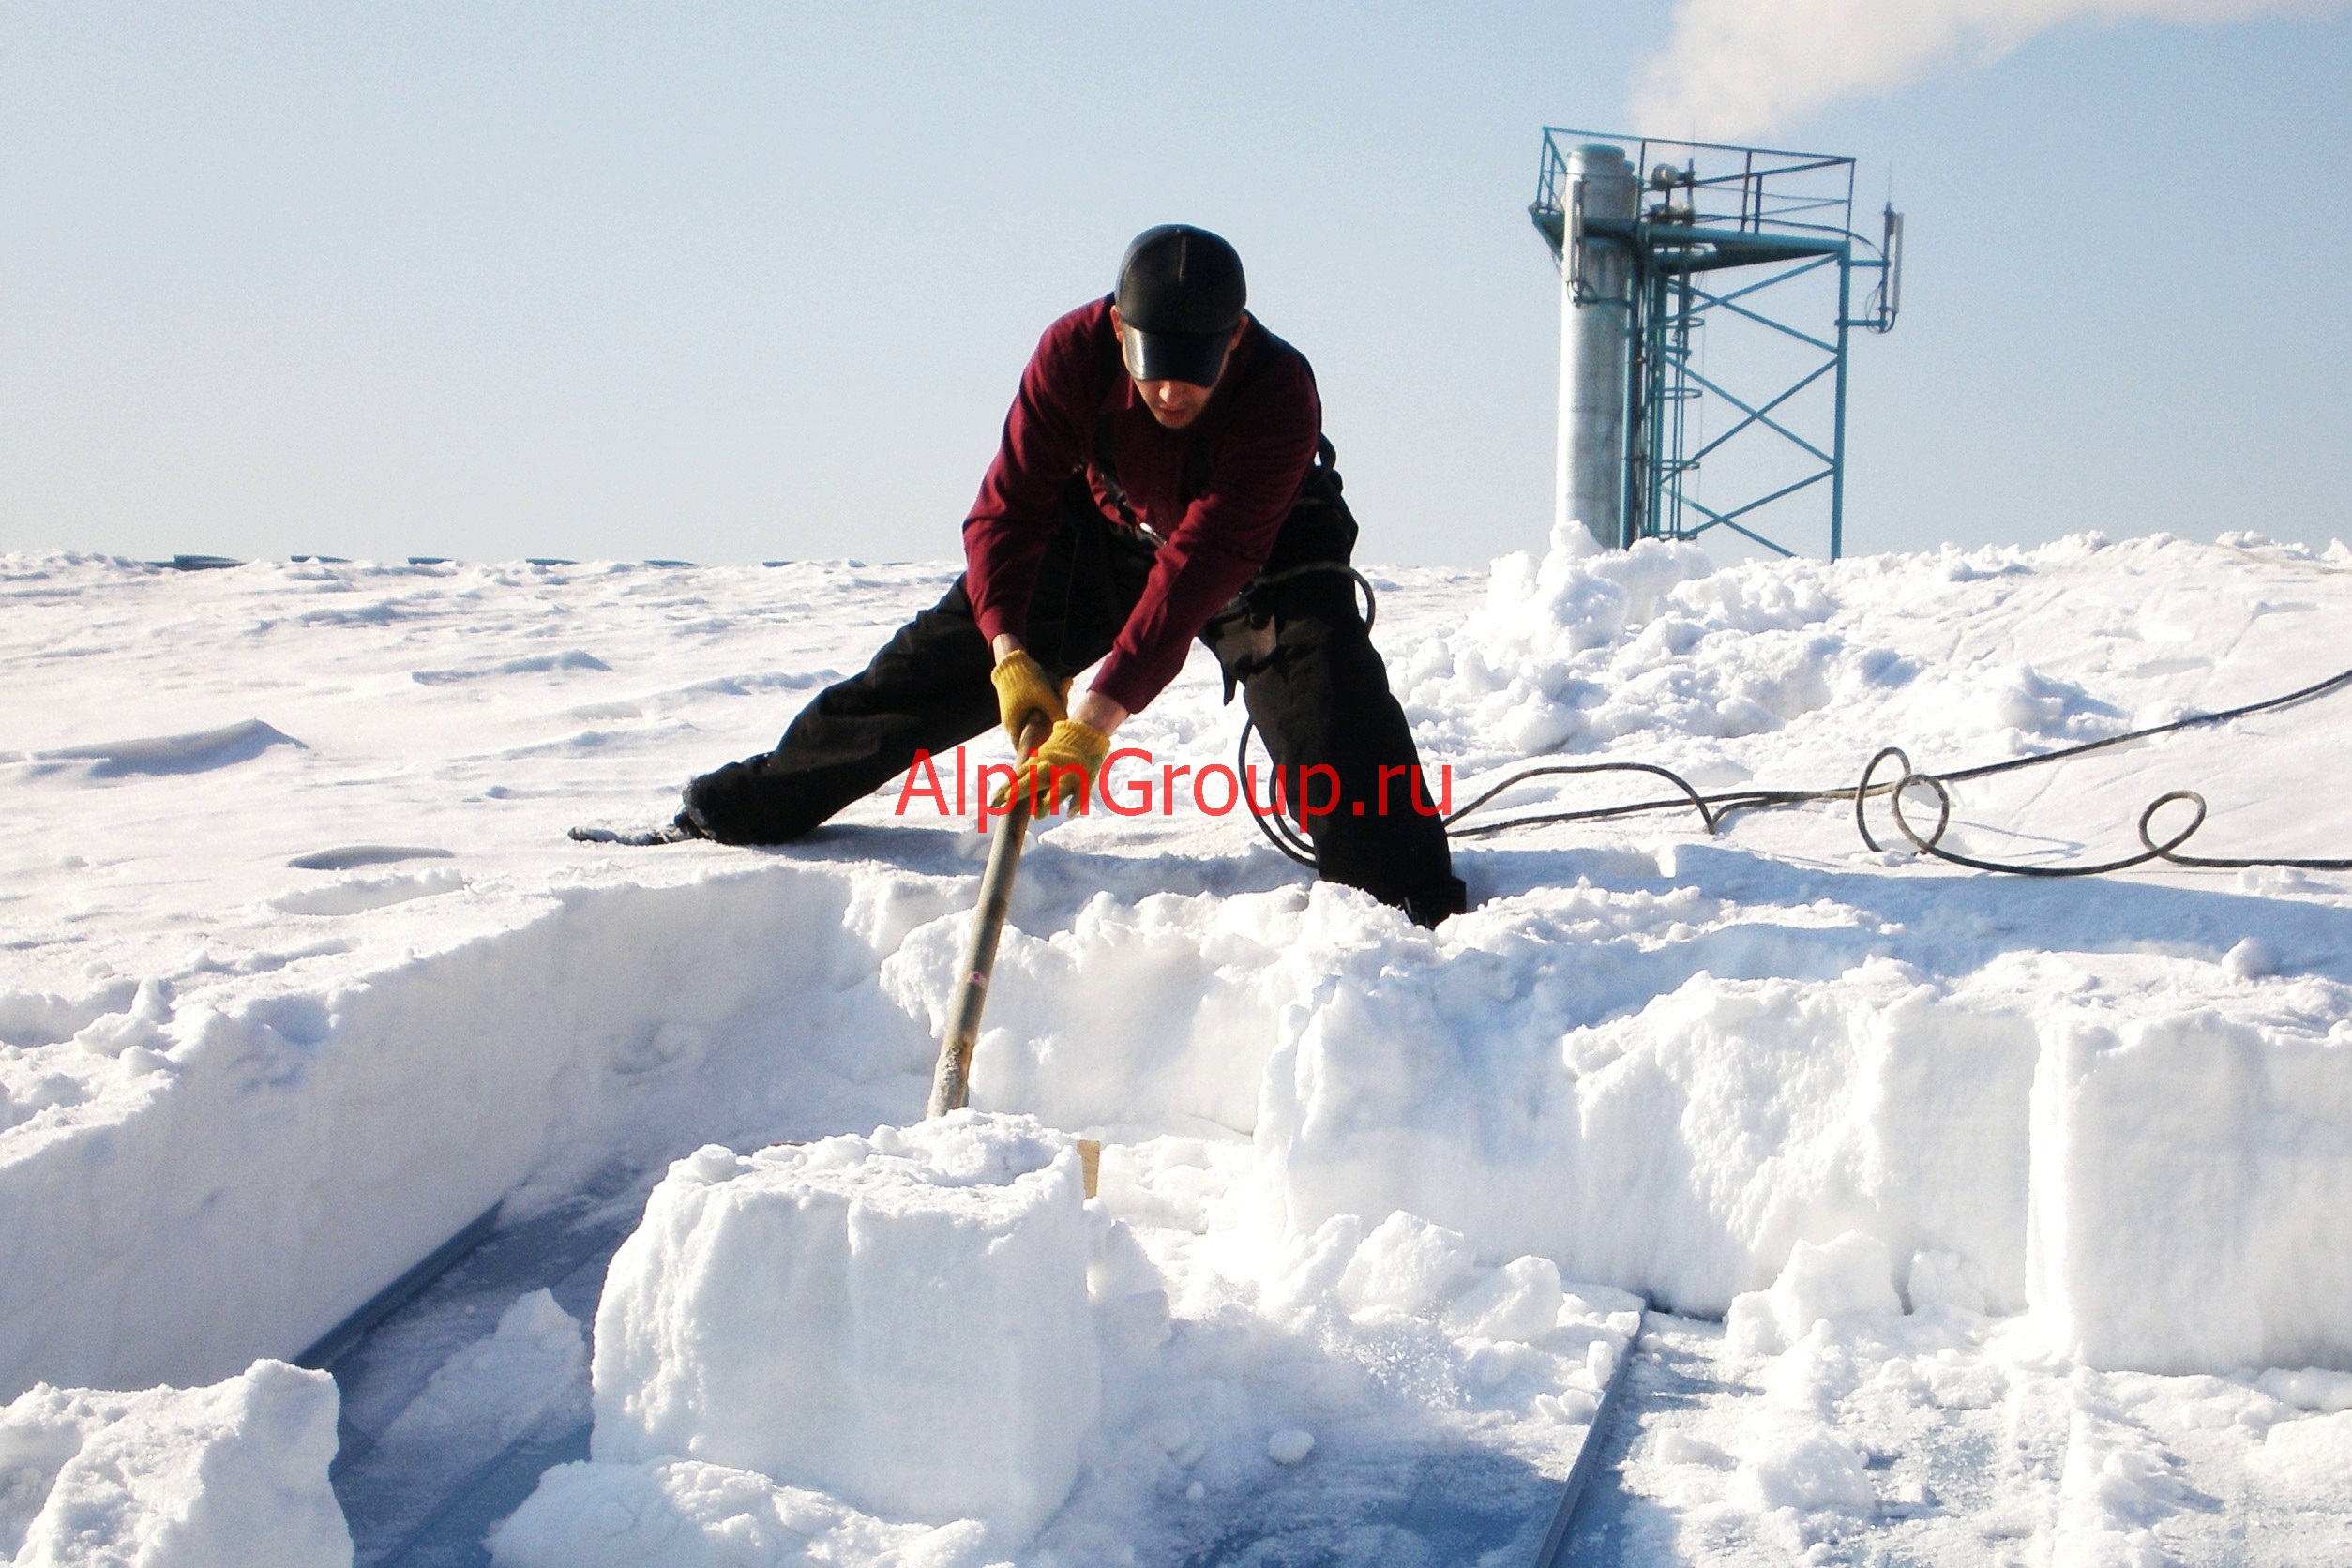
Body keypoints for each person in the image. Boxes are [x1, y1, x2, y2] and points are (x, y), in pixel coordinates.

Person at [674, 224, 1467, 927]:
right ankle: (749, 805)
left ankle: (1407, 904)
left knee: (1335, 717)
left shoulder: (1279, 393)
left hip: (1264, 553)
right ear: (1120, 329)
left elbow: (1200, 567)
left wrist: (1093, 722)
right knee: (927, 670)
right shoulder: (1070, 353)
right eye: (1154, 365)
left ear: (1236, 339)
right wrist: (1009, 653)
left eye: (1196, 369)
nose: (1170, 390)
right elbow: (1006, 515)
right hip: (1108, 529)